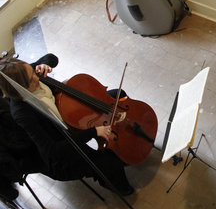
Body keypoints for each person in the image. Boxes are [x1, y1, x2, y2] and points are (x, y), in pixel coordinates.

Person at [0, 54, 134, 196]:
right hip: (62, 148)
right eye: (30, 80)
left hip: (67, 115)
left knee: (117, 95)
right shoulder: (22, 113)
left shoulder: (26, 72)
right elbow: (52, 151)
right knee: (109, 163)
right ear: (18, 89)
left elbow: (51, 58)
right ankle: (123, 188)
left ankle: (128, 146)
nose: (36, 78)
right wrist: (93, 132)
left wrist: (45, 64)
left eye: (33, 72)